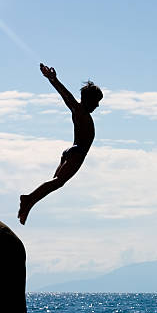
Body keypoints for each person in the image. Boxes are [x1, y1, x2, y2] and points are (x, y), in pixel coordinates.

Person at [18, 63, 103, 225]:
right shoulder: (80, 111)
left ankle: (29, 202)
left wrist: (52, 79)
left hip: (70, 151)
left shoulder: (79, 111)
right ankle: (28, 200)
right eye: (96, 101)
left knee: (55, 182)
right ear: (88, 100)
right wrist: (53, 79)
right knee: (57, 182)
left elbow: (68, 98)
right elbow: (67, 96)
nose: (98, 105)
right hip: (77, 152)